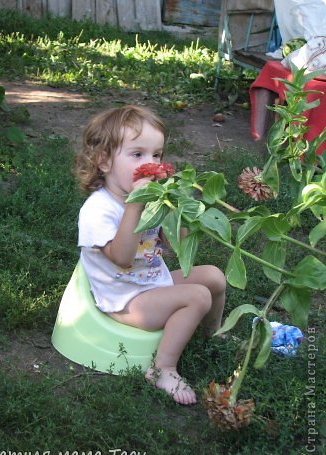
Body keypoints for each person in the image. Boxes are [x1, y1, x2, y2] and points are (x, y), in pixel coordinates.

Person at [73, 105, 226, 405]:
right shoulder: (98, 210)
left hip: (152, 282)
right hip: (125, 298)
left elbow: (177, 248)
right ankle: (162, 368)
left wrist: (178, 209)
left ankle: (214, 335)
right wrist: (135, 205)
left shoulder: (152, 201)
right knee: (197, 296)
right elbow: (122, 257)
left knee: (214, 278)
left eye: (156, 155)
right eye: (137, 154)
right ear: (104, 161)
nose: (150, 163)